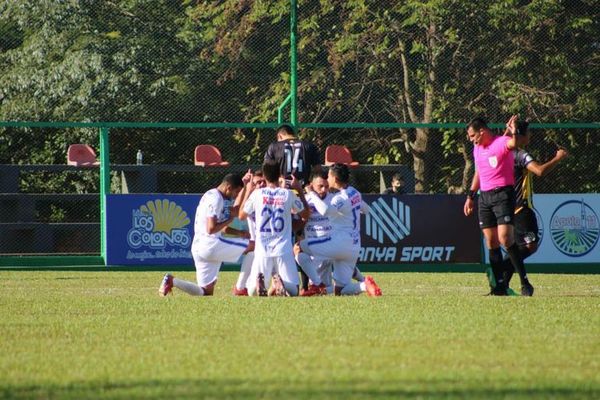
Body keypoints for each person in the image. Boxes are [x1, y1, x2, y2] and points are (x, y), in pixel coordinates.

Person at [463, 115, 533, 296]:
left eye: (472, 136)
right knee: (491, 241)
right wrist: (471, 196)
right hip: (484, 197)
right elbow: (478, 172)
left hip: (503, 194)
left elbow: (514, 143)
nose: (471, 140)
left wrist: (514, 130)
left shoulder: (502, 142)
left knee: (505, 239)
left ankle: (525, 283)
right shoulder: (477, 149)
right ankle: (499, 287)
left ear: (482, 131)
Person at [498, 120, 568, 291]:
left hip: (505, 206)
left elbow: (501, 142)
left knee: (516, 246)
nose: (531, 135)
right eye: (528, 132)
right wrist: (558, 158)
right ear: (520, 135)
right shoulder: (520, 154)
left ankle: (503, 284)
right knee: (529, 246)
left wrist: (508, 131)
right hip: (521, 208)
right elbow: (539, 171)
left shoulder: (503, 153)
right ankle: (499, 271)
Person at [239, 160, 325, 297]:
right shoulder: (287, 194)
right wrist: (299, 191)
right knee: (294, 291)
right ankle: (279, 285)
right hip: (283, 249)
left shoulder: (257, 195)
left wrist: (248, 190)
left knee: (252, 293)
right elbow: (305, 214)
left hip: (263, 248)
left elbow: (241, 215)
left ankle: (265, 285)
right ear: (279, 174)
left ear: (265, 177)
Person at [159, 173, 253, 297]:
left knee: (206, 292)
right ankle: (243, 288)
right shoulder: (216, 199)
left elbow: (234, 211)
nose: (236, 195)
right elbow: (211, 228)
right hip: (211, 244)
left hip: (199, 247)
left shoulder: (213, 195)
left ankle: (171, 281)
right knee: (256, 246)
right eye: (236, 192)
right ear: (228, 187)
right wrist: (230, 220)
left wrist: (245, 186)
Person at [297, 163, 382, 296]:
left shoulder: (340, 198)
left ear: (335, 179)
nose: (327, 179)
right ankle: (364, 285)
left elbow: (325, 210)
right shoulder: (354, 192)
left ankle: (317, 285)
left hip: (339, 242)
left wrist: (311, 193)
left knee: (298, 248)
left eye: (329, 176)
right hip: (354, 246)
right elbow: (366, 210)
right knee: (340, 291)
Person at [232, 171, 267, 296]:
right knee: (252, 252)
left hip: (273, 246)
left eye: (264, 182)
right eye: (258, 182)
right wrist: (245, 186)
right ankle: (240, 287)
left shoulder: (272, 198)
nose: (262, 184)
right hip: (256, 246)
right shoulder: (252, 200)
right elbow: (236, 210)